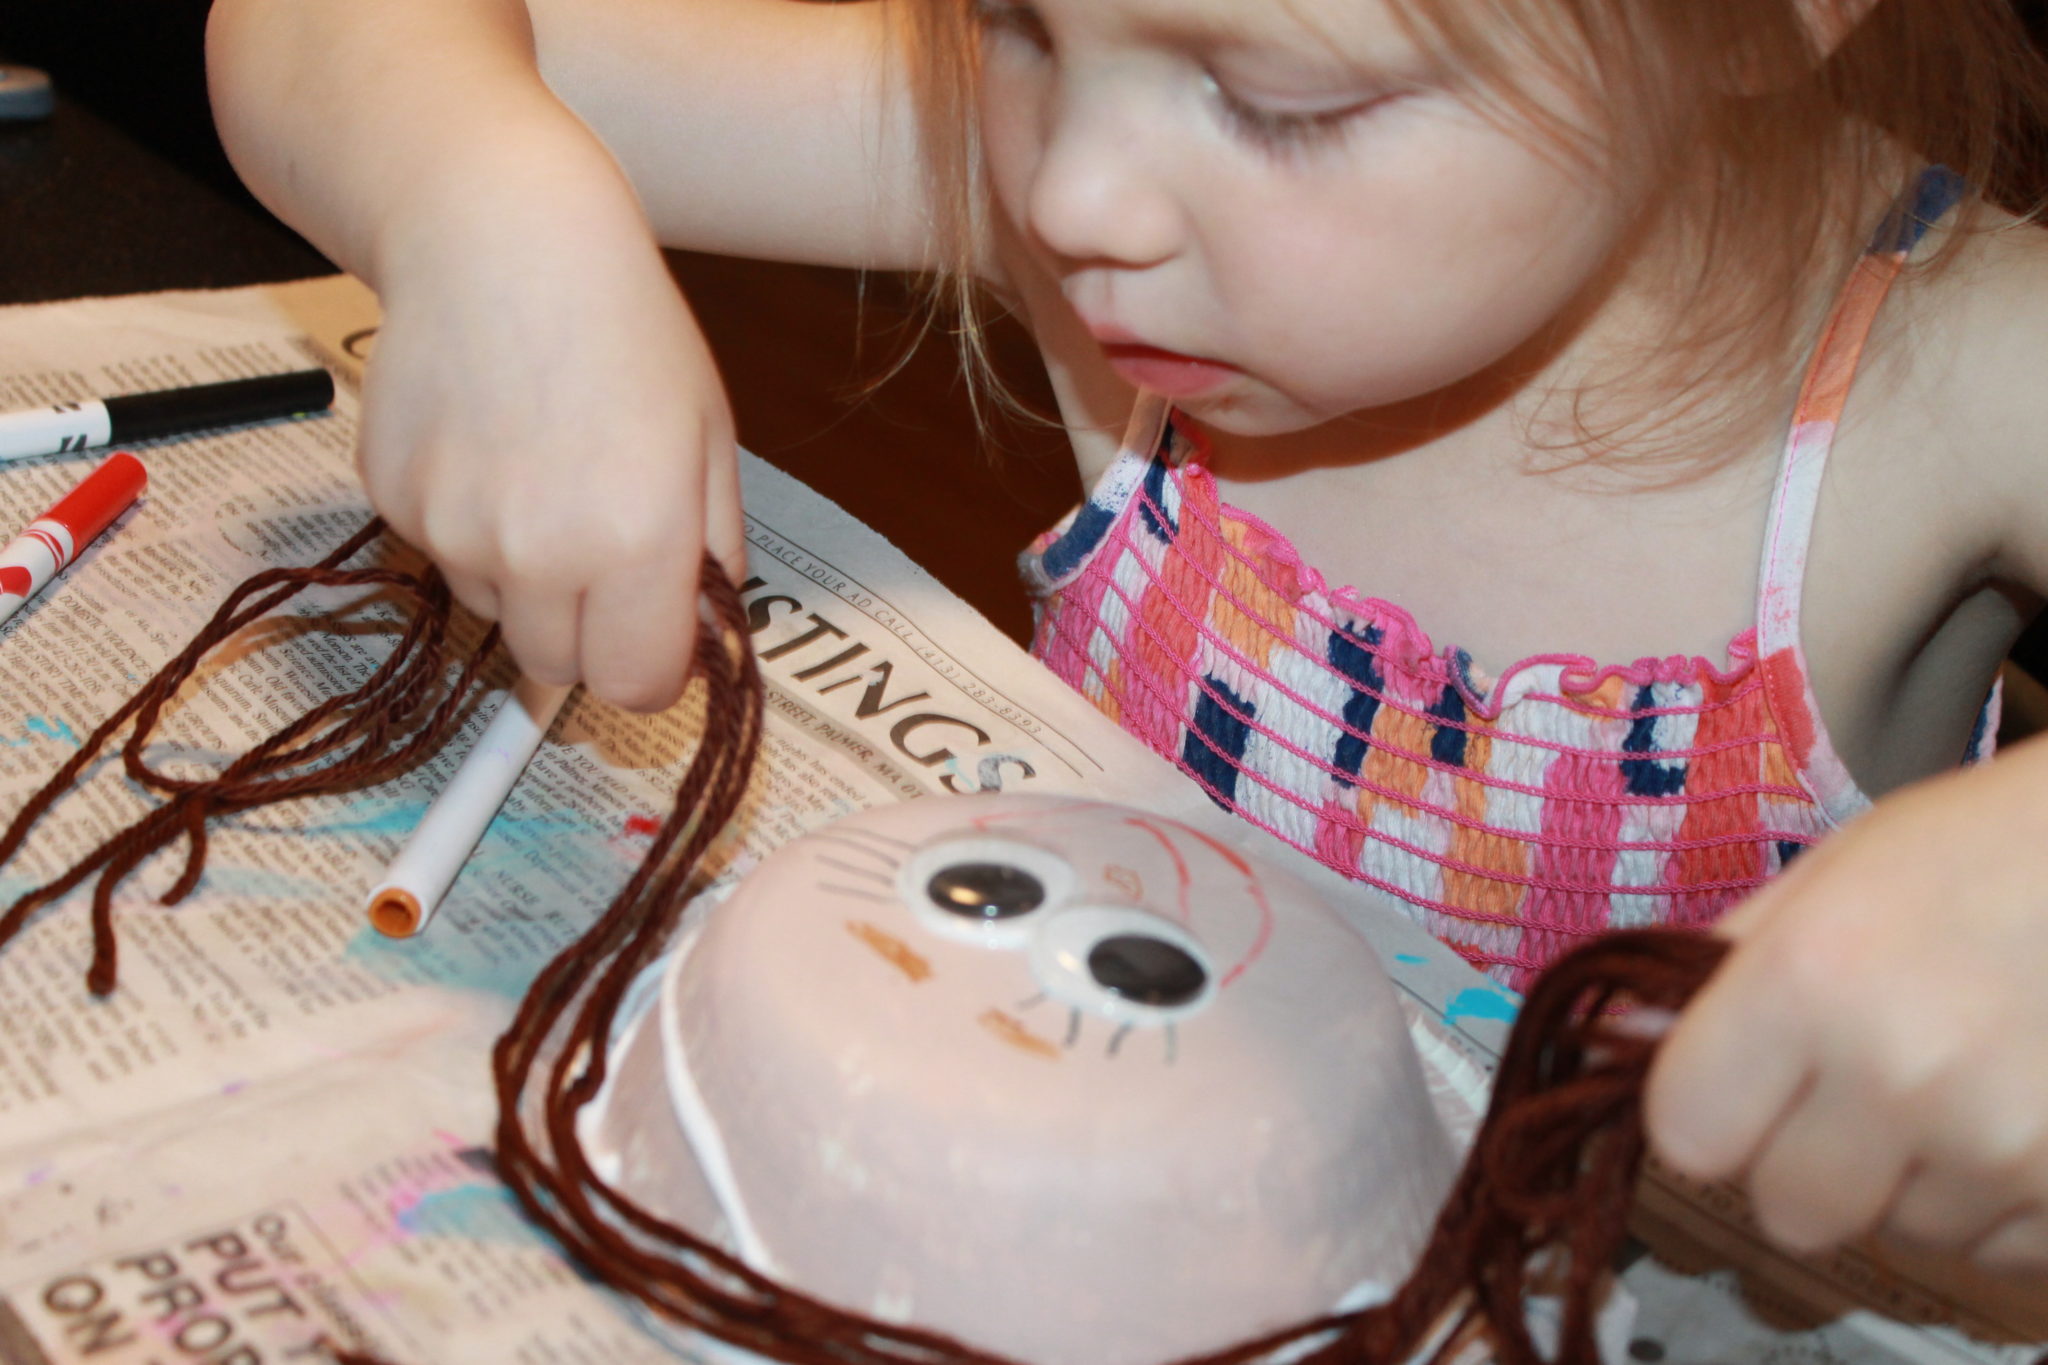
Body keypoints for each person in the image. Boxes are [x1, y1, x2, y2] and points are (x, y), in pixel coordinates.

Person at [205, 0, 2048, 1273]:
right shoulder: (1121, 134)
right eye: (1005, 16)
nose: (1070, 192)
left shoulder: (1962, 367)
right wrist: (489, 203)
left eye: (1286, 102)